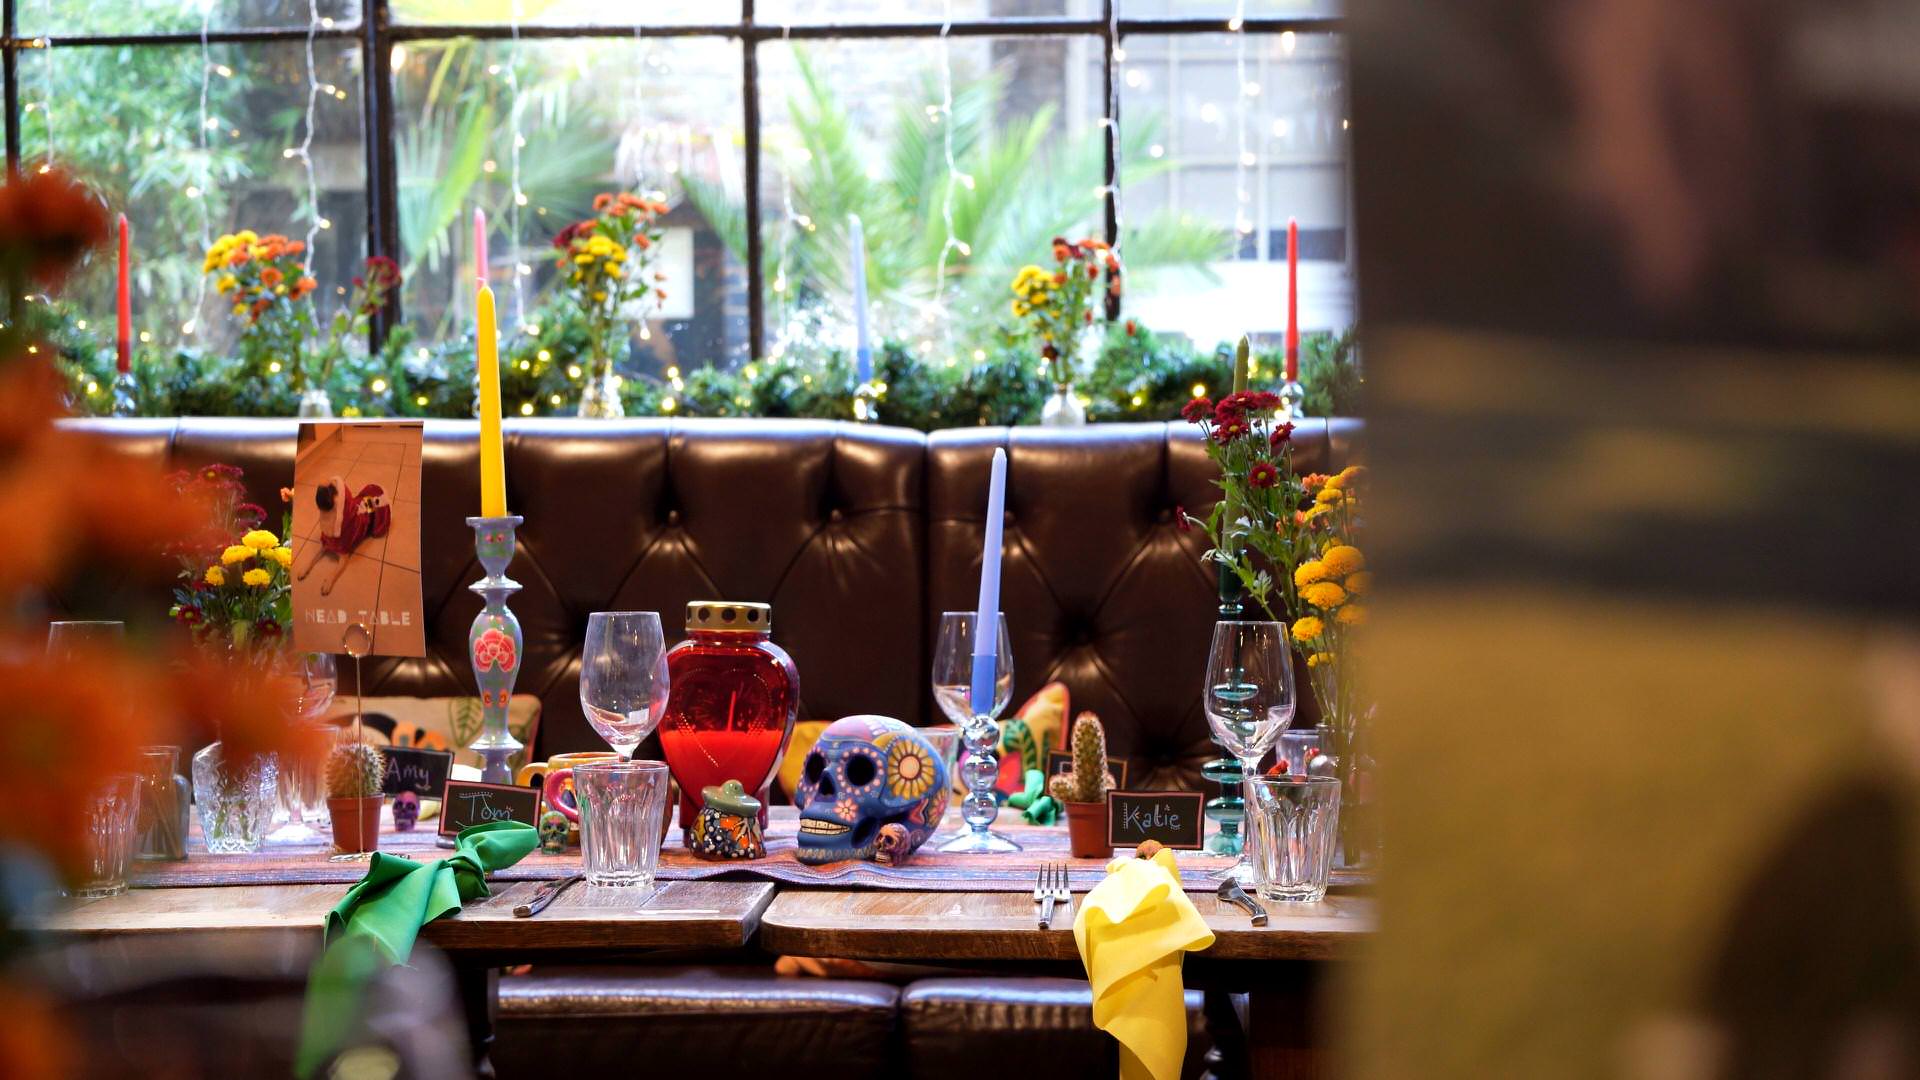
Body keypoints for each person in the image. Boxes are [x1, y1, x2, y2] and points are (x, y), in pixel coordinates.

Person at [296, 474, 391, 597]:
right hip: (356, 504)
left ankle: (330, 580)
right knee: (325, 546)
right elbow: (325, 546)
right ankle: (307, 567)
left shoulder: (346, 527)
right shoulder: (328, 518)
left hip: (368, 507)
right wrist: (308, 566)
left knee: (371, 505)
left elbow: (344, 557)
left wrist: (331, 579)